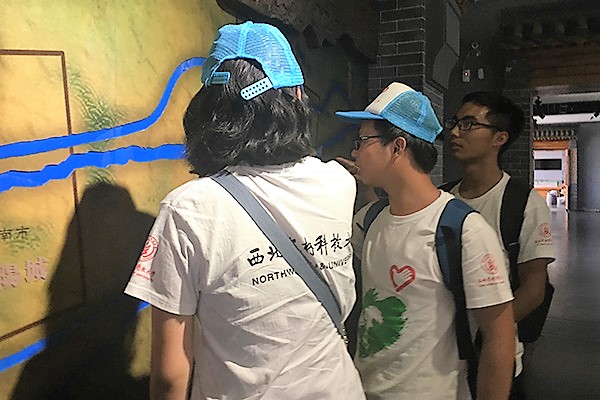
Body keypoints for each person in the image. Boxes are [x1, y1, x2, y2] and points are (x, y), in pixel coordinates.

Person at [124, 21, 365, 400]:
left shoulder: (188, 209)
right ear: (297, 96)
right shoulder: (339, 182)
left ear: (208, 111)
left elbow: (171, 375)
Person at [336, 82, 516, 400]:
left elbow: (499, 337)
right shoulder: (370, 219)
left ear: (397, 147)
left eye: (361, 141)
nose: (354, 152)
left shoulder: (463, 230)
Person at [443, 91, 556, 399]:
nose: (455, 132)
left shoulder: (522, 203)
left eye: (469, 124)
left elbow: (534, 289)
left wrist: (486, 333)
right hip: (441, 359)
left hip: (492, 356)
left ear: (499, 138)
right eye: (455, 122)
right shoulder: (443, 198)